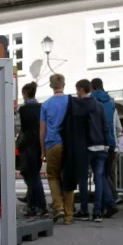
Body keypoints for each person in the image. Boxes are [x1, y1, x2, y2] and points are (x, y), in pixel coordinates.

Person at [68, 79, 118, 222]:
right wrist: (106, 143)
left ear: (81, 89)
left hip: (86, 146)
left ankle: (84, 210)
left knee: (83, 179)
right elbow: (106, 125)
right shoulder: (99, 105)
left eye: (77, 90)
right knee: (99, 178)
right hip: (101, 146)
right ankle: (97, 211)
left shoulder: (78, 105)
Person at [40, 74, 72, 224]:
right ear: (64, 84)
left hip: (52, 144)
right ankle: (69, 216)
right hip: (69, 144)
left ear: (51, 86)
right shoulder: (71, 102)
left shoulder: (45, 105)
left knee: (53, 176)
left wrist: (42, 150)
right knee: (68, 178)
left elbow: (42, 130)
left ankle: (58, 207)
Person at [18, 82, 49, 218]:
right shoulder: (41, 107)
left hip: (29, 145)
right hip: (39, 144)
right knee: (34, 175)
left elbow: (23, 129)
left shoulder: (23, 109)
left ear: (25, 93)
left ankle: (40, 207)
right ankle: (33, 206)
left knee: (33, 177)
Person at [90, 78, 118, 200]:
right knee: (106, 174)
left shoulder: (90, 101)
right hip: (110, 142)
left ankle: (105, 202)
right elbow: (116, 126)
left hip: (94, 142)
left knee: (99, 176)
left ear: (92, 88)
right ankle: (109, 199)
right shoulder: (111, 102)